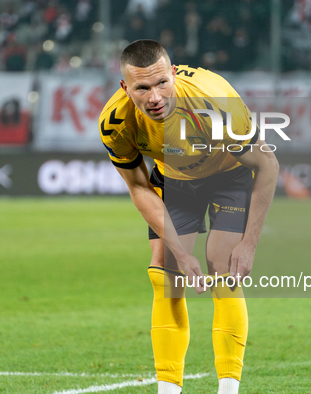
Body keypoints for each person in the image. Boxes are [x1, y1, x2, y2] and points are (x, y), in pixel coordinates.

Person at [98, 40, 279, 394]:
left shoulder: (215, 101)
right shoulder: (115, 123)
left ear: (174, 74)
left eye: (162, 83)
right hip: (174, 179)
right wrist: (180, 252)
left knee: (222, 266)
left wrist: (250, 244)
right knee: (165, 272)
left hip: (228, 174)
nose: (155, 97)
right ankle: (169, 390)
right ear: (125, 88)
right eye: (142, 88)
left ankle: (228, 390)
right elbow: (138, 187)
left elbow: (267, 166)